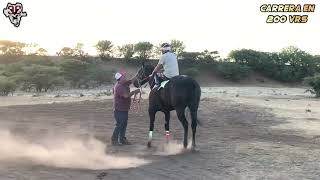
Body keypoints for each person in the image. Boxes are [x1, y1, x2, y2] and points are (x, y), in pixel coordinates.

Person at [112, 71, 140, 146]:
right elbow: (126, 96)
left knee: (123, 124)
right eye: (123, 77)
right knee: (120, 125)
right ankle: (114, 140)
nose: (125, 77)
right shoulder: (119, 87)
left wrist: (139, 73)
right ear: (120, 78)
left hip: (123, 109)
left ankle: (122, 139)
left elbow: (132, 80)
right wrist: (134, 92)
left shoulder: (123, 84)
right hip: (119, 110)